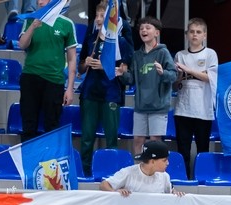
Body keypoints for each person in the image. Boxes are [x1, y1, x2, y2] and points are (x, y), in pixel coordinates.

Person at [78, 1, 132, 178]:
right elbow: (80, 68)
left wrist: (105, 66)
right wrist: (85, 63)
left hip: (111, 93)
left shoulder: (120, 42)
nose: (99, 19)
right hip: (90, 93)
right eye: (97, 16)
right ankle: (85, 173)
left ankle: (111, 174)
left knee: (111, 138)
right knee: (87, 138)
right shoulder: (90, 38)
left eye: (103, 16)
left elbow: (124, 71)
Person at [15, 0, 76, 142]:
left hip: (54, 80)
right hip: (30, 77)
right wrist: (33, 27)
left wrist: (70, 88)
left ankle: (50, 155)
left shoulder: (66, 23)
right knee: (28, 124)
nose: (40, 1)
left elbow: (72, 58)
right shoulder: (30, 19)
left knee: (52, 125)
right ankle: (28, 155)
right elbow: (22, 45)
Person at [120, 16, 175, 157]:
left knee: (155, 141)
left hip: (158, 107)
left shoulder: (163, 52)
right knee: (138, 140)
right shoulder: (136, 55)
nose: (143, 30)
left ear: (157, 33)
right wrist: (122, 74)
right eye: (141, 28)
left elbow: (173, 75)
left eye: (148, 28)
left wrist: (163, 73)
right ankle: (139, 168)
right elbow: (131, 80)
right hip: (140, 107)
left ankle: (154, 169)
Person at [173, 17, 218, 179]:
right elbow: (175, 85)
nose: (195, 35)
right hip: (183, 109)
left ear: (204, 35)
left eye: (198, 32)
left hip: (203, 110)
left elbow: (210, 78)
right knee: (183, 149)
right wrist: (179, 76)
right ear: (187, 34)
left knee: (203, 149)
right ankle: (184, 179)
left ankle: (202, 179)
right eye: (192, 32)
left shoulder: (210, 54)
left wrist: (189, 70)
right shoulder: (180, 55)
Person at [99, 139, 183, 196]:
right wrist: (115, 193)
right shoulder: (128, 173)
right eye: (164, 160)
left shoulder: (165, 176)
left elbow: (171, 192)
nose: (168, 163)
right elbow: (104, 185)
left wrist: (176, 193)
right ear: (152, 161)